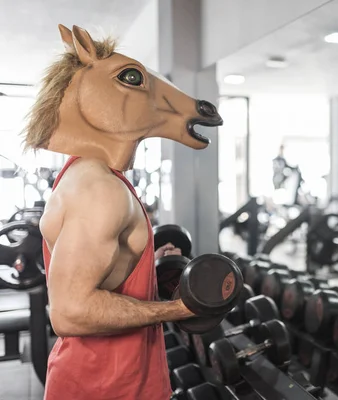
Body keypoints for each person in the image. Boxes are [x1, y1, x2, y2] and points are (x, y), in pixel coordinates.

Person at [24, 25, 222, 399]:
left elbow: (101, 275)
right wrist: (178, 309)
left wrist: (144, 267)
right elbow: (71, 312)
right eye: (131, 80)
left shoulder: (88, 173)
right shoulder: (100, 189)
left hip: (119, 381)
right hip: (106, 387)